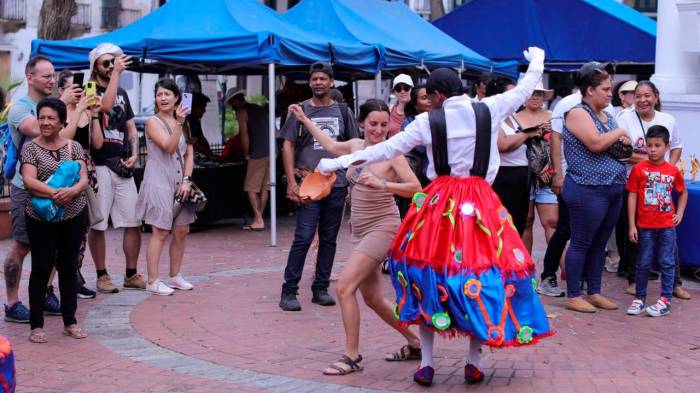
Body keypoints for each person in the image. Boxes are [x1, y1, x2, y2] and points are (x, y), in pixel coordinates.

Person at [317, 47, 553, 386]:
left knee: (427, 275)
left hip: (440, 204)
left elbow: (385, 149)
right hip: (479, 204)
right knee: (478, 274)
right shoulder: (489, 108)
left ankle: (426, 363)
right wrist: (537, 61)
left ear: (439, 95)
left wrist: (337, 162)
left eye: (429, 96)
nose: (427, 102)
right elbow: (526, 88)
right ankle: (473, 361)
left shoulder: (429, 122)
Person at [288, 99, 422, 375]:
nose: (378, 130)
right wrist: (304, 119)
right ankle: (415, 342)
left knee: (344, 288)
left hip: (383, 226)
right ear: (362, 123)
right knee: (372, 298)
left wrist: (384, 184)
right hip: (358, 230)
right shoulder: (354, 147)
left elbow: (416, 188)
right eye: (373, 124)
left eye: (384, 125)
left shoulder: (392, 153)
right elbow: (330, 145)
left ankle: (352, 356)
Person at [278, 62, 360, 311]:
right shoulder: (299, 110)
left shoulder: (343, 111)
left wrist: (349, 179)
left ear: (331, 82)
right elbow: (288, 145)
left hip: (336, 184)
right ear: (309, 82)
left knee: (329, 238)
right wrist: (292, 181)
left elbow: (354, 145)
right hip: (308, 184)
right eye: (314, 79)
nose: (318, 83)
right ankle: (289, 291)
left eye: (323, 79)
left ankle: (320, 288)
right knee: (303, 237)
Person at [561, 62, 630, 313]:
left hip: (612, 187)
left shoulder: (608, 116)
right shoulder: (578, 113)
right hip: (586, 188)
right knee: (581, 241)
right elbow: (596, 143)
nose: (610, 93)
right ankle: (574, 294)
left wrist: (619, 136)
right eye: (605, 89)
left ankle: (594, 291)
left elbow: (626, 147)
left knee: (600, 243)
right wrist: (620, 131)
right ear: (589, 90)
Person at [4, 55, 68, 323]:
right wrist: (65, 110)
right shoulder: (21, 108)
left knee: (55, 247)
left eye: (53, 75)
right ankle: (11, 303)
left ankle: (43, 294)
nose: (52, 80)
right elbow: (49, 136)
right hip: (24, 188)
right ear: (30, 77)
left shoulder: (54, 105)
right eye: (46, 76)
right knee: (21, 245)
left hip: (53, 187)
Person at [21, 97, 89, 343]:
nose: (45, 122)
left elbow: (83, 178)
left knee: (69, 268)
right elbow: (29, 180)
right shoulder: (31, 148)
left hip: (73, 214)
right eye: (42, 117)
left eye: (51, 118)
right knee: (40, 268)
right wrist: (55, 193)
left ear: (62, 122)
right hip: (40, 217)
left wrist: (72, 192)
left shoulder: (73, 146)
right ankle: (36, 325)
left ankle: (70, 321)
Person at [616, 81, 690, 300]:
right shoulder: (624, 118)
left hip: (661, 186)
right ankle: (633, 279)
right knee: (634, 234)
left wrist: (669, 170)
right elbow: (621, 152)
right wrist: (650, 162)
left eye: (647, 95)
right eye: (638, 96)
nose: (642, 100)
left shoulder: (668, 120)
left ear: (656, 97)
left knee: (668, 235)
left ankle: (675, 283)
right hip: (633, 182)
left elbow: (676, 146)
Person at [87, 43, 145, 293]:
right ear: (95, 67)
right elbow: (106, 107)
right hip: (99, 163)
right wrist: (117, 74)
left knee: (134, 220)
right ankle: (102, 274)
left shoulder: (122, 90)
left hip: (121, 165)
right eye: (106, 63)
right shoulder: (90, 90)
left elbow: (131, 128)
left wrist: (134, 154)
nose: (111, 66)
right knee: (98, 222)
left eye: (114, 62)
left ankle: (131, 273)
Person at [136, 79, 196, 296]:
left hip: (181, 181)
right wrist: (179, 123)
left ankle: (175, 275)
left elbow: (189, 153)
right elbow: (170, 148)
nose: (163, 98)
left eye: (167, 94)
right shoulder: (153, 122)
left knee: (181, 230)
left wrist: (188, 180)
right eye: (159, 94)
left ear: (177, 98)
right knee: (160, 232)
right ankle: (152, 280)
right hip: (158, 180)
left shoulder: (184, 121)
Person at [626, 125, 687, 317]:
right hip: (645, 226)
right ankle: (639, 298)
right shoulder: (638, 169)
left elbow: (683, 192)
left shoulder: (673, 171)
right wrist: (632, 225)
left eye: (657, 145)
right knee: (643, 262)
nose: (653, 149)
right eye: (650, 145)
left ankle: (665, 300)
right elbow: (632, 196)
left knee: (667, 262)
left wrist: (680, 213)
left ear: (667, 147)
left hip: (667, 226)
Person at [57, 70, 103, 299]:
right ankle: (63, 277)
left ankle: (75, 274)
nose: (78, 91)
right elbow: (65, 138)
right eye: (72, 88)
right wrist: (74, 110)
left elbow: (97, 143)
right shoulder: (57, 113)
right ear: (61, 91)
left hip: (87, 169)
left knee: (83, 226)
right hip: (67, 172)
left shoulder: (85, 110)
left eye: (80, 87)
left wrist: (93, 114)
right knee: (65, 226)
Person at [491, 77, 534, 236]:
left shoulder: (515, 116)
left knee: (519, 224)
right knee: (502, 225)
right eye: (512, 94)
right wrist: (527, 134)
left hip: (521, 176)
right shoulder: (493, 116)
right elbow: (503, 144)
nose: (516, 97)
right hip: (503, 176)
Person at [519, 84, 557, 254]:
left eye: (539, 94)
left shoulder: (552, 117)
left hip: (548, 178)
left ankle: (560, 269)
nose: (535, 97)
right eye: (531, 93)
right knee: (525, 221)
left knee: (552, 221)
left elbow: (559, 146)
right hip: (524, 177)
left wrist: (549, 168)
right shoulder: (514, 117)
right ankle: (526, 270)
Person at [226, 88, 270, 231]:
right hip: (271, 150)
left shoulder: (241, 111)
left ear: (234, 100)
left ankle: (258, 219)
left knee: (250, 187)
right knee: (265, 187)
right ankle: (259, 218)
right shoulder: (258, 108)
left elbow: (244, 135)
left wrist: (246, 154)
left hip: (257, 152)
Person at [186, 92, 217, 159]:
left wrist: (210, 154)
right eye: (202, 107)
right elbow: (192, 143)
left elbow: (201, 138)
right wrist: (209, 155)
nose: (204, 110)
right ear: (194, 107)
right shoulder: (185, 121)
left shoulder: (195, 120)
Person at [388, 74, 413, 138]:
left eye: (406, 88)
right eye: (398, 89)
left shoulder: (418, 111)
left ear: (412, 90)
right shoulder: (389, 111)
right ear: (394, 92)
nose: (402, 91)